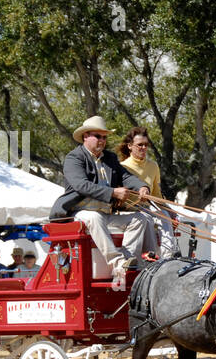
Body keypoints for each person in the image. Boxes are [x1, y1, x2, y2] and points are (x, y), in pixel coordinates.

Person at [50, 115, 154, 280]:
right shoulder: (74, 158)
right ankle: (117, 263)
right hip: (79, 211)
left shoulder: (110, 158)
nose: (102, 140)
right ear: (86, 137)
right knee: (94, 217)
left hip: (105, 212)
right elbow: (81, 185)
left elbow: (126, 176)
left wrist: (142, 187)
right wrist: (113, 192)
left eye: (104, 137)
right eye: (98, 136)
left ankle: (128, 262)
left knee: (140, 218)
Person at [118, 126, 178, 257]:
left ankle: (169, 255)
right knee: (147, 219)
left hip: (148, 208)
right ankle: (149, 257)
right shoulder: (123, 167)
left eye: (146, 145)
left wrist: (170, 211)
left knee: (165, 215)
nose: (144, 148)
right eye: (140, 145)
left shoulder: (153, 166)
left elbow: (156, 195)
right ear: (130, 146)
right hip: (129, 211)